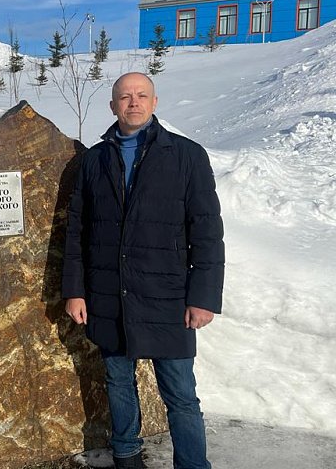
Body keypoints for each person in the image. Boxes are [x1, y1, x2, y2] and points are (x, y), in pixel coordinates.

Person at [62, 73, 224, 469]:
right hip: (109, 296)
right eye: (124, 97)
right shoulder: (94, 160)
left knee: (180, 395)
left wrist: (203, 298)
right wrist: (75, 290)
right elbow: (78, 232)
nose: (133, 103)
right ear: (113, 106)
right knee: (118, 383)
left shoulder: (187, 156)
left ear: (154, 103)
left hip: (168, 298)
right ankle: (127, 458)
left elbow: (207, 233)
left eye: (141, 95)